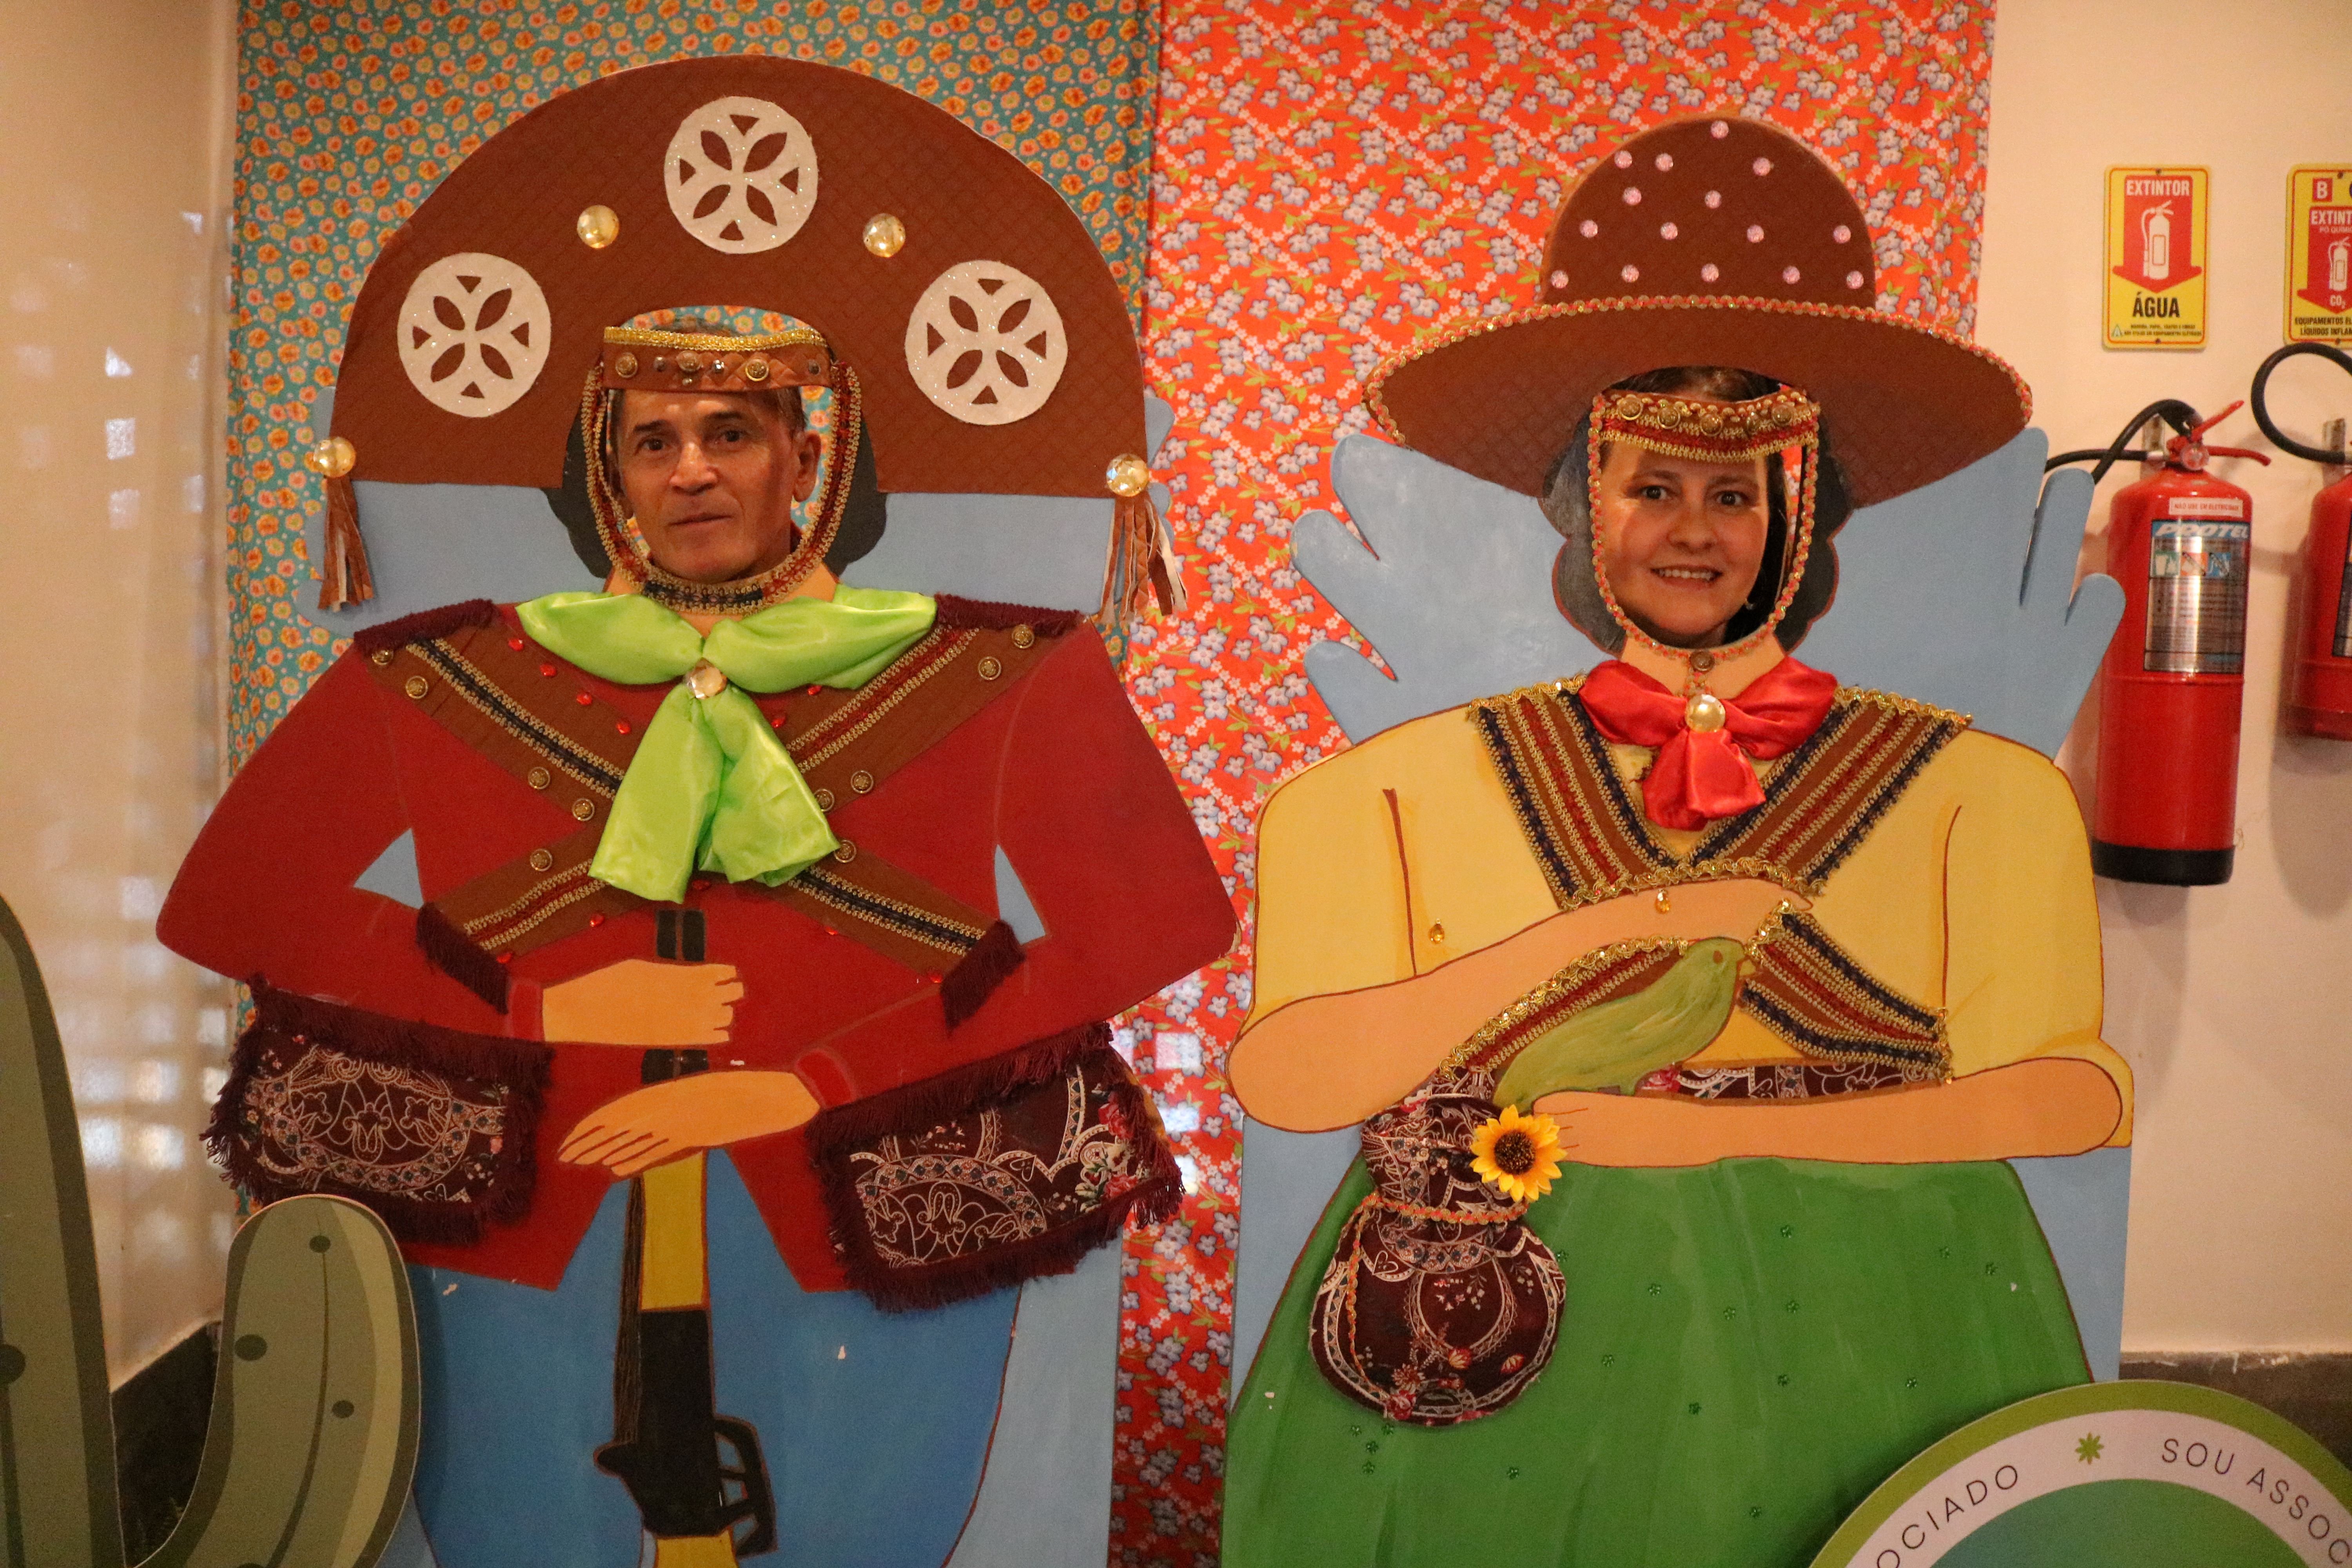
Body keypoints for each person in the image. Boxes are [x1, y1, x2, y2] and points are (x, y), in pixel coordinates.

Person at [162, 319, 1233, 1567]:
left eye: (731, 434)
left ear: (807, 461)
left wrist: (812, 1083)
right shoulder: (441, 671)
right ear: (608, 474)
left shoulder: (1001, 669)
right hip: (521, 1226)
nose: (691, 472)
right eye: (652, 442)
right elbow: (234, 903)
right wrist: (542, 1010)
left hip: (867, 1215)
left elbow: (1155, 922)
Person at [1220, 117, 2131, 1567]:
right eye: (1654, 487)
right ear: (1585, 512)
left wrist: (1706, 1137)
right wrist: (1609, 934)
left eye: (1735, 493)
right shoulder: (1383, 792)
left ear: (1802, 519)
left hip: (1887, 1310)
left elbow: (2070, 1097)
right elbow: (1288, 1078)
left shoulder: (1984, 792)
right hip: (1486, 1318)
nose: (1692, 531)